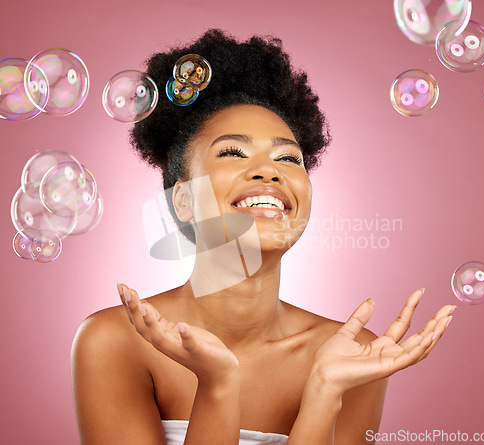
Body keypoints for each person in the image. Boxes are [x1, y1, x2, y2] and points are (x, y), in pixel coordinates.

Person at [70, 29, 454, 445]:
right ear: (183, 200)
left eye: (288, 158)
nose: (270, 172)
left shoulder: (351, 355)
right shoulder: (115, 341)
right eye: (233, 153)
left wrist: (325, 391)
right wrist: (217, 384)